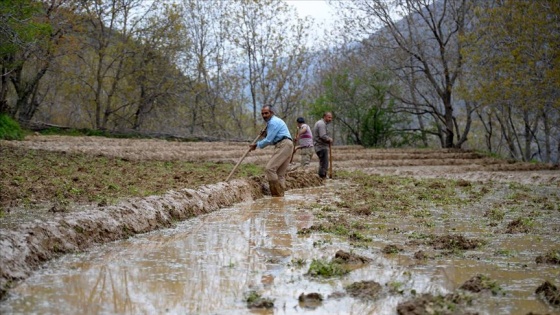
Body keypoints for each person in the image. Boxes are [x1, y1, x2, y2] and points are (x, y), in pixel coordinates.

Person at [249, 105, 293, 197]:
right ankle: (280, 198)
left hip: (284, 144)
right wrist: (265, 135)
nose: (264, 115)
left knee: (270, 169)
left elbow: (269, 140)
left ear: (272, 113)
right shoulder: (273, 122)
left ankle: (276, 195)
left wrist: (256, 145)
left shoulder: (273, 122)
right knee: (280, 174)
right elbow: (273, 139)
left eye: (266, 113)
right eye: (262, 114)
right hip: (286, 144)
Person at [312, 112, 333, 179]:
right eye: (329, 117)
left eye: (331, 117)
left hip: (319, 146)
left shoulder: (320, 123)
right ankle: (322, 177)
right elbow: (323, 136)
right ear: (324, 117)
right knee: (324, 163)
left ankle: (322, 176)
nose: (330, 119)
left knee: (323, 162)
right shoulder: (321, 124)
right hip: (321, 146)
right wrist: (329, 139)